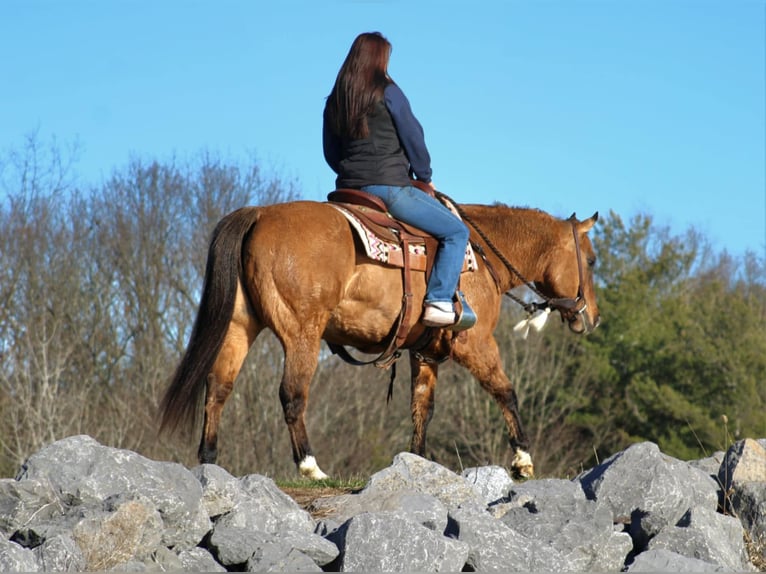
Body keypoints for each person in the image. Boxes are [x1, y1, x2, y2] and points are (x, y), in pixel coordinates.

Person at [322, 31, 475, 329]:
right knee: (456, 232)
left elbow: (330, 153)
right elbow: (413, 136)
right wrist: (424, 176)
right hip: (390, 188)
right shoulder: (389, 92)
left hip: (347, 192)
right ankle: (439, 300)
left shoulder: (335, 101)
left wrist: (350, 173)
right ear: (380, 60)